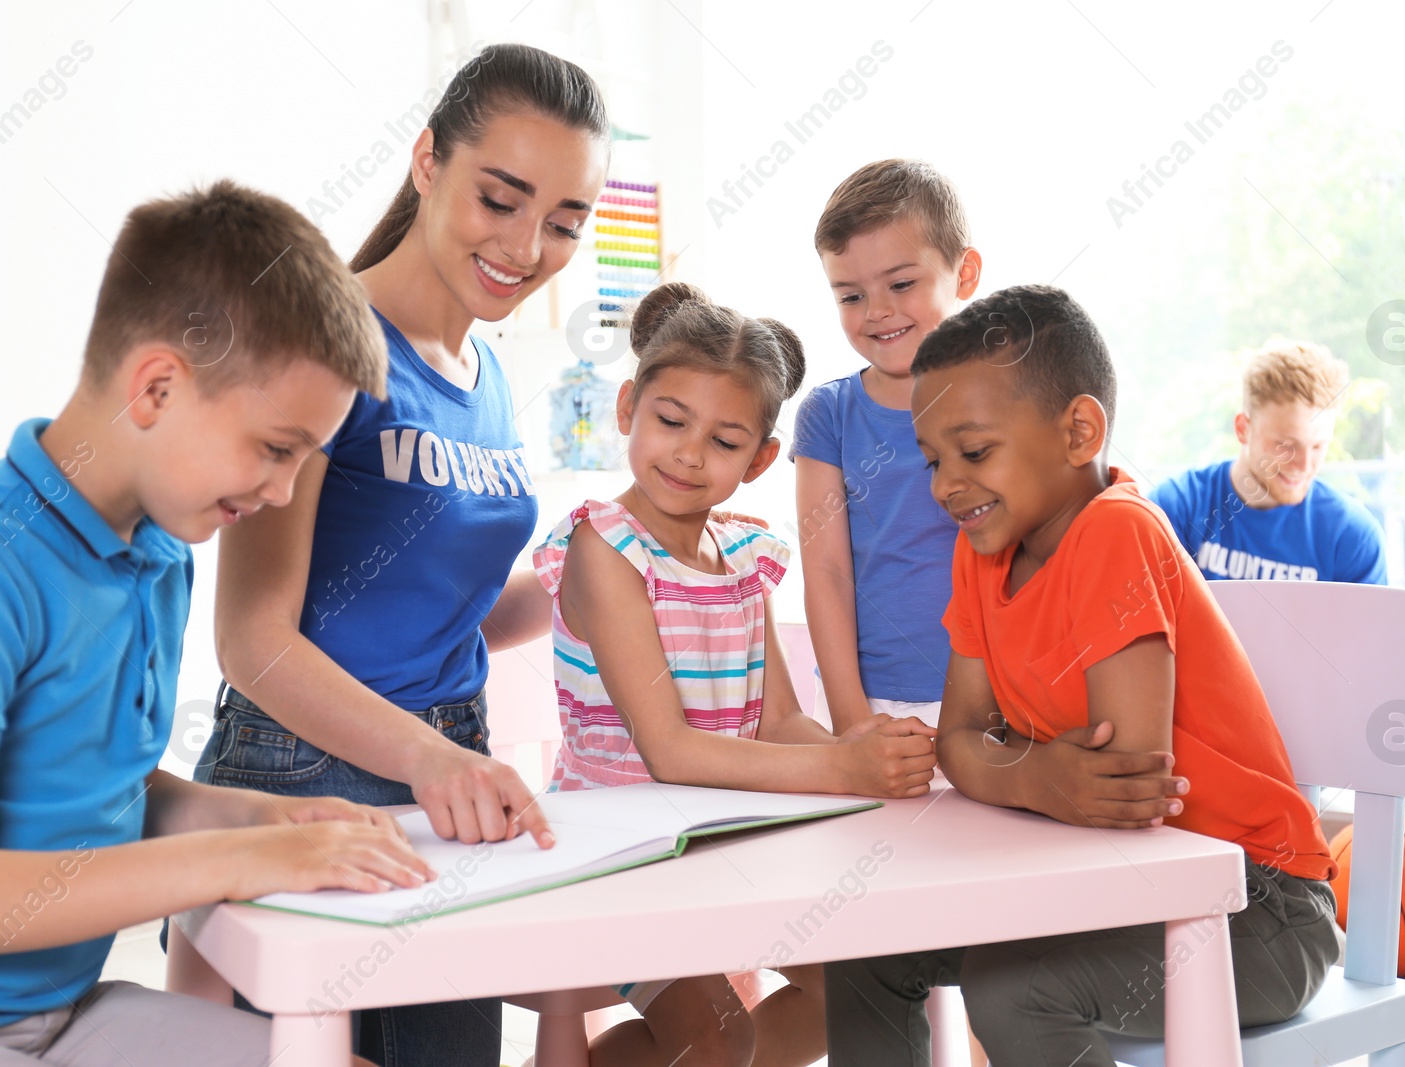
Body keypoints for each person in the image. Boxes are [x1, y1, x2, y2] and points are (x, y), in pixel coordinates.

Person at [191, 43, 606, 1065]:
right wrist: (429, 758)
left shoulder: (492, 374)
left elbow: (447, 607)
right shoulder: (324, 346)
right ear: (427, 161)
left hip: (448, 776)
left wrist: (571, 585)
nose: (527, 244)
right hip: (299, 775)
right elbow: (253, 641)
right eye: (500, 197)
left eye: (563, 219)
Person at [824, 285, 1340, 1067]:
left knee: (1014, 989)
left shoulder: (1115, 531)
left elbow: (1120, 785)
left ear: (1078, 431)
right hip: (1109, 887)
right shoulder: (981, 552)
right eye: (933, 460)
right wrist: (1038, 772)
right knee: (866, 947)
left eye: (973, 452)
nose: (944, 485)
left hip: (1254, 907)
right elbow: (957, 740)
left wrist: (1011, 766)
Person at [0, 181, 431, 1066]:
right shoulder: (13, 563)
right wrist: (241, 865)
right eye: (277, 448)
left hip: (67, 1010)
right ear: (156, 385)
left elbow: (88, 796)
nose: (280, 491)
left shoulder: (159, 554)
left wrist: (264, 819)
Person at [532, 282, 938, 1067]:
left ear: (758, 460)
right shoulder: (604, 549)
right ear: (627, 408)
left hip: (722, 846)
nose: (688, 453)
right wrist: (841, 763)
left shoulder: (745, 557)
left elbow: (780, 720)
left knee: (865, 985)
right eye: (670, 421)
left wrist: (861, 771)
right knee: (718, 1039)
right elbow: (671, 753)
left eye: (723, 441)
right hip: (616, 856)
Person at [791, 159, 982, 735]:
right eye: (850, 296)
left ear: (964, 274)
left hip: (1000, 698)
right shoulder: (829, 415)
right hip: (871, 702)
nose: (876, 312)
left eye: (901, 284)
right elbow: (824, 572)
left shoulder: (1010, 406)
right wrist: (851, 723)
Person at [1149, 339, 1386, 584]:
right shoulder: (1175, 509)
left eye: (1317, 446)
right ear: (1243, 429)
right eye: (1286, 446)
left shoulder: (1352, 538)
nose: (1304, 466)